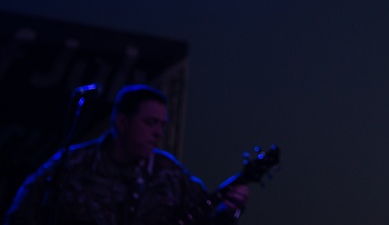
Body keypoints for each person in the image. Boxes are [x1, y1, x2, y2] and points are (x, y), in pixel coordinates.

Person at [4, 84, 249, 225]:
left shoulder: (170, 174)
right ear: (122, 122)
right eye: (150, 123)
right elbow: (19, 217)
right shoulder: (70, 165)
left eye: (162, 126)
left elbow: (204, 220)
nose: (158, 133)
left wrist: (227, 212)